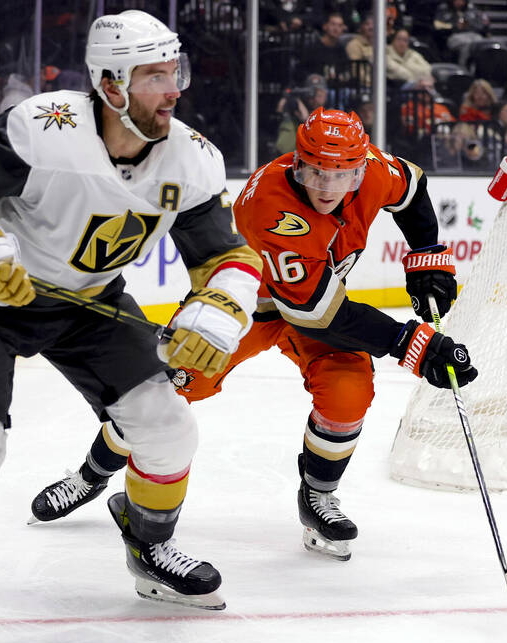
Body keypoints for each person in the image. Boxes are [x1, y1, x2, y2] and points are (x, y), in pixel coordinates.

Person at [0, 10, 264, 611]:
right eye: (155, 75)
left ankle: (150, 547)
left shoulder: (192, 160)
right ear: (112, 85)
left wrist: (216, 313)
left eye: (175, 69)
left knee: (169, 429)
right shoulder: (43, 128)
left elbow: (227, 255)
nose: (174, 86)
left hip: (90, 303)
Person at [29, 106, 478, 562]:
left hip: (318, 306)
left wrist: (427, 254)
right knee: (158, 396)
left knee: (348, 394)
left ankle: (318, 496)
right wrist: (414, 345)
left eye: (340, 176)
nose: (326, 187)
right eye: (315, 172)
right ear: (298, 162)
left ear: (362, 169)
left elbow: (413, 188)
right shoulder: (272, 206)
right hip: (242, 312)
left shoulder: (375, 171)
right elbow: (316, 312)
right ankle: (90, 475)